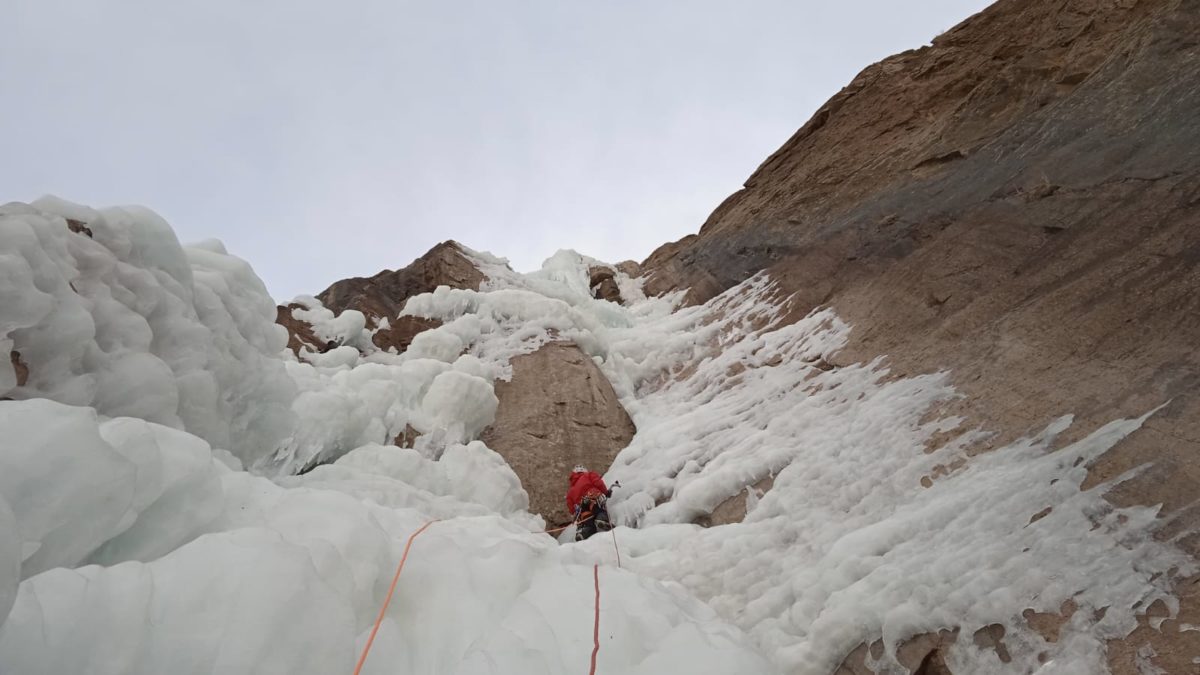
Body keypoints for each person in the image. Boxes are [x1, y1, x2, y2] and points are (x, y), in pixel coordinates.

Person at [566, 464, 617, 541]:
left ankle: (585, 533)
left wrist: (575, 512)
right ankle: (602, 520)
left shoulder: (570, 491)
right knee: (598, 509)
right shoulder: (589, 475)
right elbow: (598, 483)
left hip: (581, 508)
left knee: (588, 522)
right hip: (592, 496)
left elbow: (571, 508)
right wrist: (606, 492)